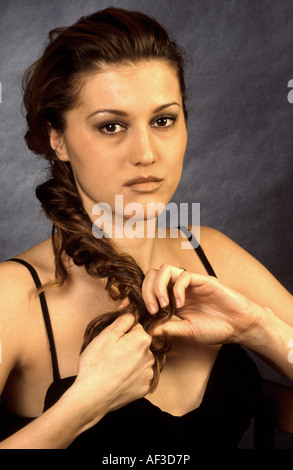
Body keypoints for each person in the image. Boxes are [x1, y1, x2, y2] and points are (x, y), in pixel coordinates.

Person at [0, 6, 292, 450]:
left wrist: (258, 329)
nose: (146, 153)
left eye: (163, 121)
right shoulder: (14, 298)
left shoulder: (209, 252)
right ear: (57, 138)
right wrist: (84, 405)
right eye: (111, 126)